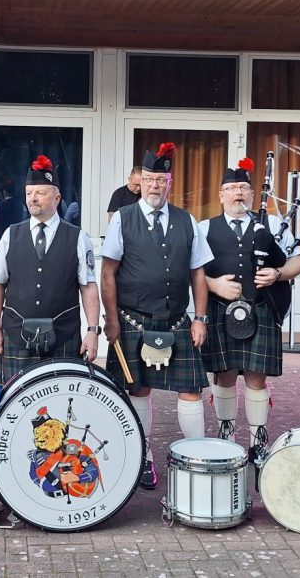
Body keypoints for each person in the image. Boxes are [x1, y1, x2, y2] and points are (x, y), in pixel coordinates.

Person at [101, 142, 212, 490]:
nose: (154, 186)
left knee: (191, 389)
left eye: (160, 180)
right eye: (149, 179)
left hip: (177, 319)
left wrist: (200, 318)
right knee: (138, 388)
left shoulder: (187, 220)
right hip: (133, 319)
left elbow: (198, 273)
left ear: (170, 182)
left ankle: (196, 458)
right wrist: (111, 319)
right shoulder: (123, 218)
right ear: (140, 182)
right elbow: (107, 272)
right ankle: (143, 456)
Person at [201, 157, 300, 457]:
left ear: (252, 193)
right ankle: (226, 437)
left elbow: (299, 260)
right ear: (221, 195)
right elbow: (191, 270)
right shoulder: (204, 227)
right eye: (232, 188)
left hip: (260, 307)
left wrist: (278, 273)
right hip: (220, 309)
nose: (239, 193)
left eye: (244, 188)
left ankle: (258, 440)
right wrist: (213, 284)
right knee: (224, 374)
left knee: (256, 375)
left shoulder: (271, 224)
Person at [0, 154, 100, 381]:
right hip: (16, 334)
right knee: (15, 399)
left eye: (40, 192)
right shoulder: (10, 235)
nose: (33, 198)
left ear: (57, 198)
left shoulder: (77, 237)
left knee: (63, 399)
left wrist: (92, 331)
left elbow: (88, 287)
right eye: (29, 193)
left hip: (64, 336)